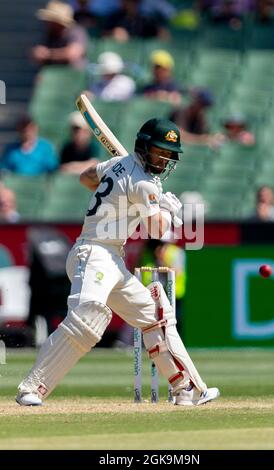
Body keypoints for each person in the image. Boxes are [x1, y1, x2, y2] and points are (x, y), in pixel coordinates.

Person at [16, 118, 219, 407]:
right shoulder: (144, 183)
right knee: (88, 318)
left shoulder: (118, 165)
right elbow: (158, 230)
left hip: (111, 257)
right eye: (158, 152)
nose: (163, 160)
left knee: (155, 317)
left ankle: (185, 389)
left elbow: (86, 177)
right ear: (144, 147)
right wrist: (169, 210)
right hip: (94, 253)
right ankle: (31, 388)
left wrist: (119, 193)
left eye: (168, 155)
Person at [32, 1, 88, 69]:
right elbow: (40, 54)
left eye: (51, 20)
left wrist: (49, 54)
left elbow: (74, 53)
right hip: (52, 73)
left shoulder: (76, 31)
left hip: (73, 74)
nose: (48, 22)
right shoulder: (51, 34)